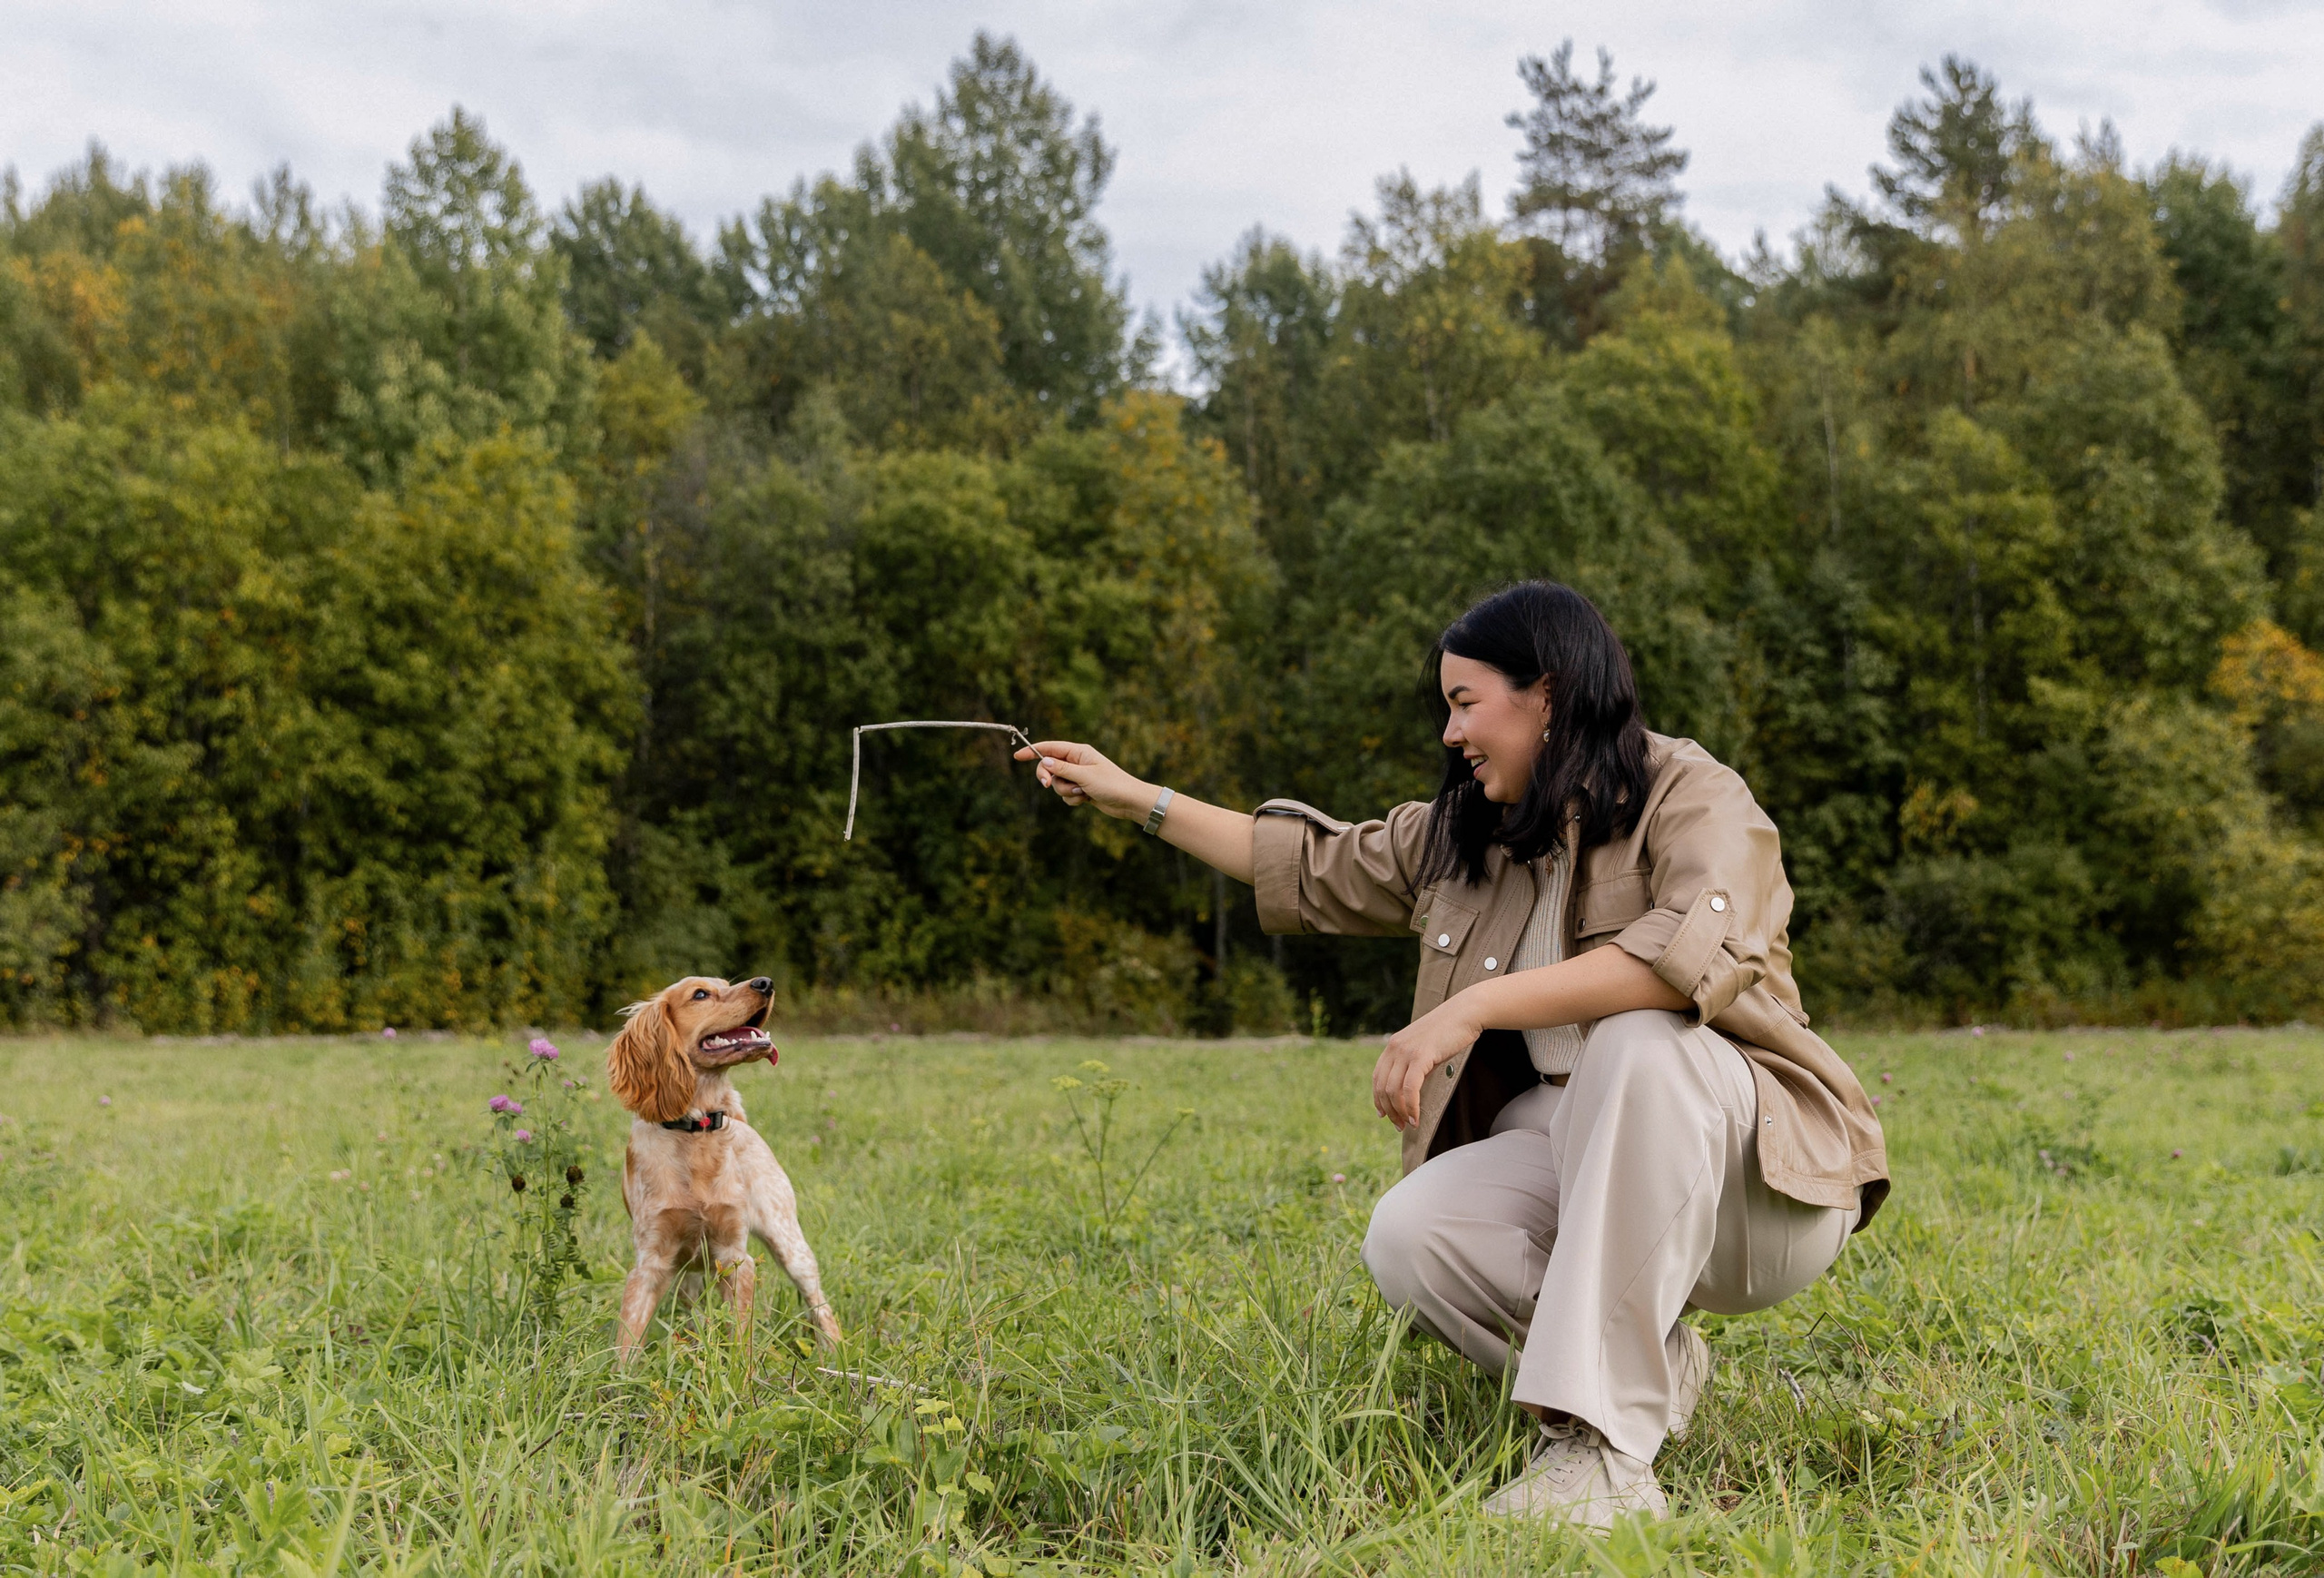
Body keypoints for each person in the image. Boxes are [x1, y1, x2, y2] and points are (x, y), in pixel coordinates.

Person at [1017, 579, 1888, 1529]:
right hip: (1579, 1144)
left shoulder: (1694, 794)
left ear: (1546, 693)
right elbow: (1308, 864)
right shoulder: (1473, 831)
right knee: (1413, 1233)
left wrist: (1473, 1006)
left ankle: (1605, 1462)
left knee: (1638, 1041)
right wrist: (1134, 798)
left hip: (1759, 1188)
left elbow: (1681, 961)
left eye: (1465, 702)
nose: (1450, 732)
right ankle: (1652, 1368)